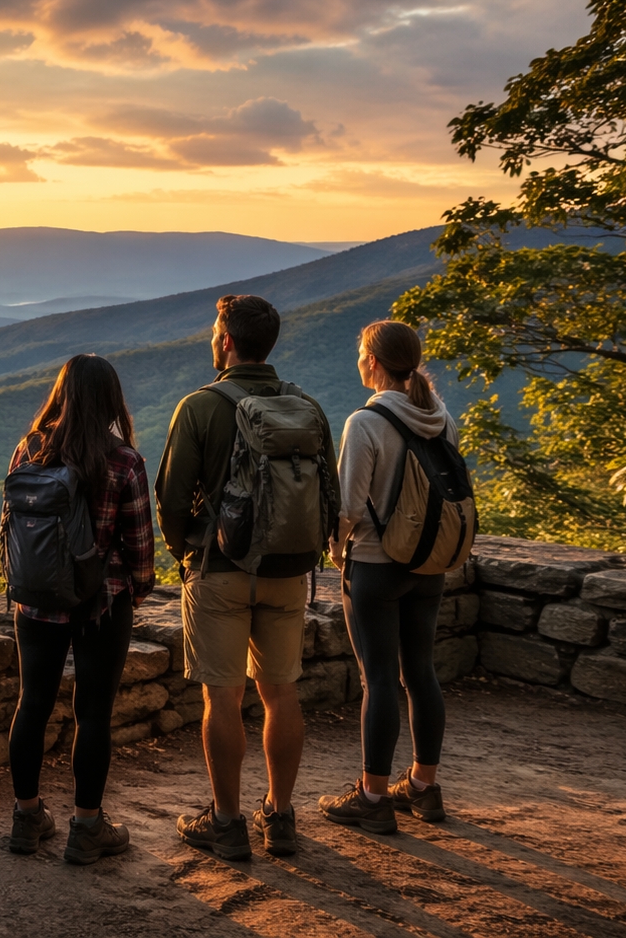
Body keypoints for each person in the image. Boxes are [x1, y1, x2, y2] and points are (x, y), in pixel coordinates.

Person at [155, 294, 338, 860]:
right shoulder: (305, 405)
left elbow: (170, 495)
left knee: (222, 699)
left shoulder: (200, 406)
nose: (213, 338)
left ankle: (229, 823)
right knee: (282, 694)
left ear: (227, 341)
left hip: (220, 571)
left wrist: (185, 551)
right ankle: (281, 817)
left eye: (215, 331)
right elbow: (326, 491)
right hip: (288, 571)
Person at [4, 354, 155, 865]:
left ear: (62, 393)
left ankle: (26, 818)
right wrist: (137, 588)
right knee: (93, 714)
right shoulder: (124, 461)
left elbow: (10, 525)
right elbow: (139, 545)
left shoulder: (30, 448)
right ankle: (87, 827)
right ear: (112, 398)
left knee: (33, 704)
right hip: (101, 603)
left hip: (36, 600)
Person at [319, 320, 456, 832]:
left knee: (378, 679)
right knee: (421, 673)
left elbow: (350, 504)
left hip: (376, 564)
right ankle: (423, 788)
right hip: (430, 563)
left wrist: (335, 548)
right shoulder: (440, 417)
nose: (358, 361)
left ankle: (374, 797)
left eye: (360, 353)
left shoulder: (366, 421)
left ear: (373, 362)